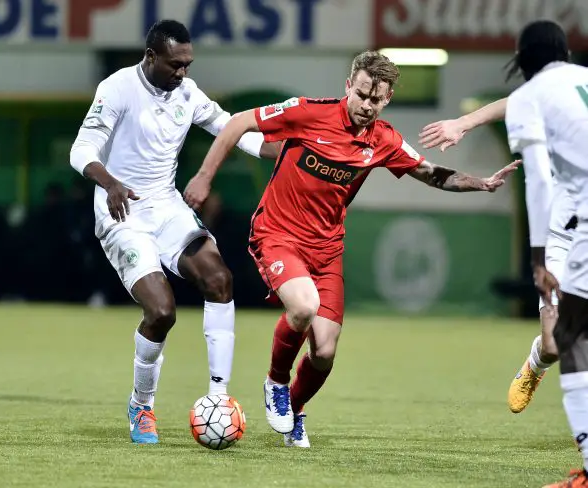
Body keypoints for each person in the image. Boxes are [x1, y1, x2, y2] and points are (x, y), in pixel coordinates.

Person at [183, 50, 520, 448]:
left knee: (324, 352)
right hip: (278, 234)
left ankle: (294, 409)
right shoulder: (308, 112)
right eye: (361, 94)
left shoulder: (384, 140)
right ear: (348, 86)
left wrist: (480, 183)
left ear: (387, 98)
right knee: (303, 307)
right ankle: (275, 382)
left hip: (326, 250)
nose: (366, 105)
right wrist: (204, 176)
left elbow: (430, 174)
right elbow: (240, 122)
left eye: (376, 99)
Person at [69, 20, 279, 445]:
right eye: (175, 64)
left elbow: (231, 130)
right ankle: (141, 405)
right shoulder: (118, 88)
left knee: (219, 279)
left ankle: (218, 397)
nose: (182, 72)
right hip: (123, 211)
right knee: (162, 311)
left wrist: (283, 150)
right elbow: (81, 150)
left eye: (188, 64)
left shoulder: (188, 93)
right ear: (151, 56)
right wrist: (110, 183)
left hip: (167, 207)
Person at [427, 20, 588, 487]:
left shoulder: (536, 94)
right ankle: (537, 360)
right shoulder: (550, 90)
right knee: (559, 344)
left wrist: (533, 259)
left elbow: (536, 180)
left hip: (569, 231)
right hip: (566, 231)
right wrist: (463, 122)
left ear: (522, 61)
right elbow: (516, 113)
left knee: (576, 343)